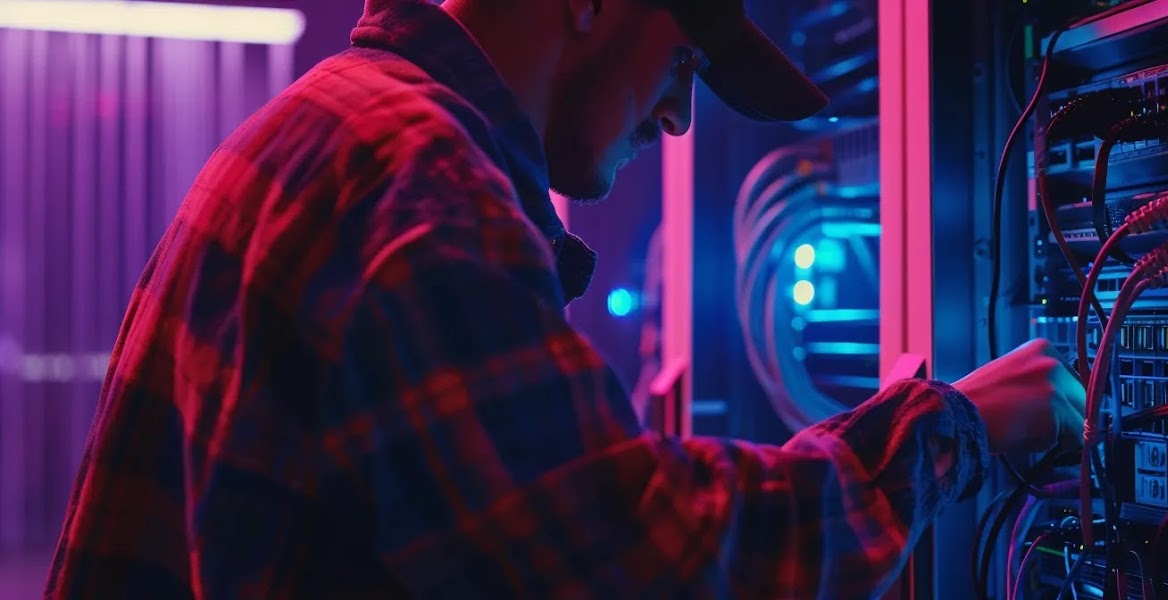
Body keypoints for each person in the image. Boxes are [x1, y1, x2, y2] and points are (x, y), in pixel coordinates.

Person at [46, 0, 1087, 597]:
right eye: (684, 58)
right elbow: (635, 566)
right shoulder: (421, 180)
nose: (681, 116)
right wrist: (950, 430)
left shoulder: (339, 128)